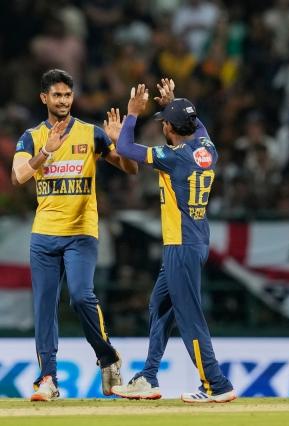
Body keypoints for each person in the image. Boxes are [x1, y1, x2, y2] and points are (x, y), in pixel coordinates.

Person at [10, 68, 138, 401]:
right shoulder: (32, 137)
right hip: (44, 235)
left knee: (81, 296)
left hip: (81, 233)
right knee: (44, 308)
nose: (64, 100)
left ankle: (107, 357)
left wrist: (122, 143)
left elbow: (131, 168)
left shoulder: (91, 133)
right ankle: (48, 379)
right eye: (57, 95)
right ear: (44, 98)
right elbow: (17, 177)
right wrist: (46, 152)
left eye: (68, 95)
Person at [110, 79, 235, 403]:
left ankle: (216, 384)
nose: (162, 126)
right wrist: (175, 103)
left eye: (164, 121)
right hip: (194, 242)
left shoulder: (174, 156)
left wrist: (132, 114)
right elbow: (198, 128)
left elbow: (126, 149)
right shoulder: (207, 150)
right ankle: (148, 377)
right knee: (159, 306)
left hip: (181, 246)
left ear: (171, 128)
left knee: (190, 319)